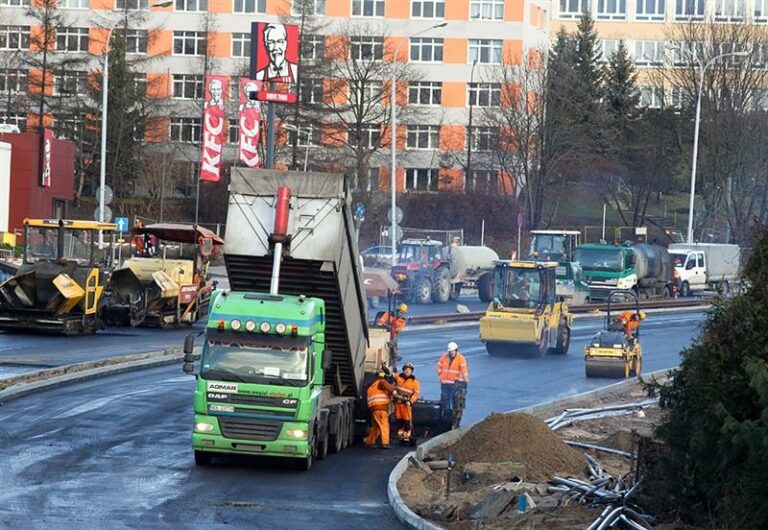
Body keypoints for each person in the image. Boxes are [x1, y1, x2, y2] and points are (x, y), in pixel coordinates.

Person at [435, 342, 469, 426]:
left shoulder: (461, 358)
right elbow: (438, 365)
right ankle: (446, 420)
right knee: (445, 402)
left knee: (456, 403)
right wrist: (440, 373)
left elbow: (464, 370)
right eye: (450, 351)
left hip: (455, 383)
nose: (451, 353)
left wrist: (466, 380)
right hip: (445, 383)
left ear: (456, 350)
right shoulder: (444, 357)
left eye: (452, 351)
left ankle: (455, 422)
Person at [364, 367, 396, 449]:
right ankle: (385, 443)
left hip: (374, 408)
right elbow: (386, 386)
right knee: (384, 425)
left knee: (376, 427)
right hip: (380, 408)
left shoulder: (373, 385)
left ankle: (370, 442)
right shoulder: (381, 382)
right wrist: (393, 390)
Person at [393, 362, 420, 442]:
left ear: (411, 371)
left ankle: (407, 435)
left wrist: (410, 401)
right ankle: (400, 436)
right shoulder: (398, 377)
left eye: (409, 370)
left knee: (407, 421)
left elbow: (416, 394)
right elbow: (392, 375)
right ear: (403, 370)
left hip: (406, 404)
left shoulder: (415, 382)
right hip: (398, 403)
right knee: (398, 420)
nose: (407, 371)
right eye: (406, 369)